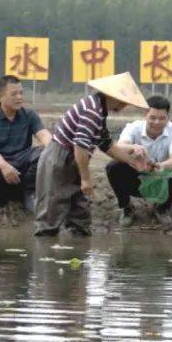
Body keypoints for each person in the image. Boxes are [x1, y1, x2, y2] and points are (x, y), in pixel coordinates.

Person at [34, 72, 152, 237]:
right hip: (60, 159)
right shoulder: (92, 111)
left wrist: (133, 158)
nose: (124, 106)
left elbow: (107, 145)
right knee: (51, 211)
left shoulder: (99, 110)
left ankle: (77, 247)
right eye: (124, 102)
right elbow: (80, 146)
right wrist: (86, 178)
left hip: (73, 159)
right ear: (112, 96)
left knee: (80, 214)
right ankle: (45, 253)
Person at [106, 95, 172, 227]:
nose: (157, 122)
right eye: (153, 118)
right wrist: (133, 148)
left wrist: (162, 166)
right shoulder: (133, 128)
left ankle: (162, 208)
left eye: (162, 118)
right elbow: (119, 147)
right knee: (113, 167)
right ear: (145, 116)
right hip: (135, 176)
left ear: (168, 118)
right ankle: (126, 208)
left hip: (159, 177)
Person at [0, 75, 52, 214]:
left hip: (23, 158)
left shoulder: (29, 115)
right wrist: (4, 166)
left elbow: (43, 135)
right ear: (0, 95)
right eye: (14, 94)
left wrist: (54, 147)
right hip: (0, 161)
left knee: (46, 153)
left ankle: (28, 192)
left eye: (21, 93)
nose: (19, 97)